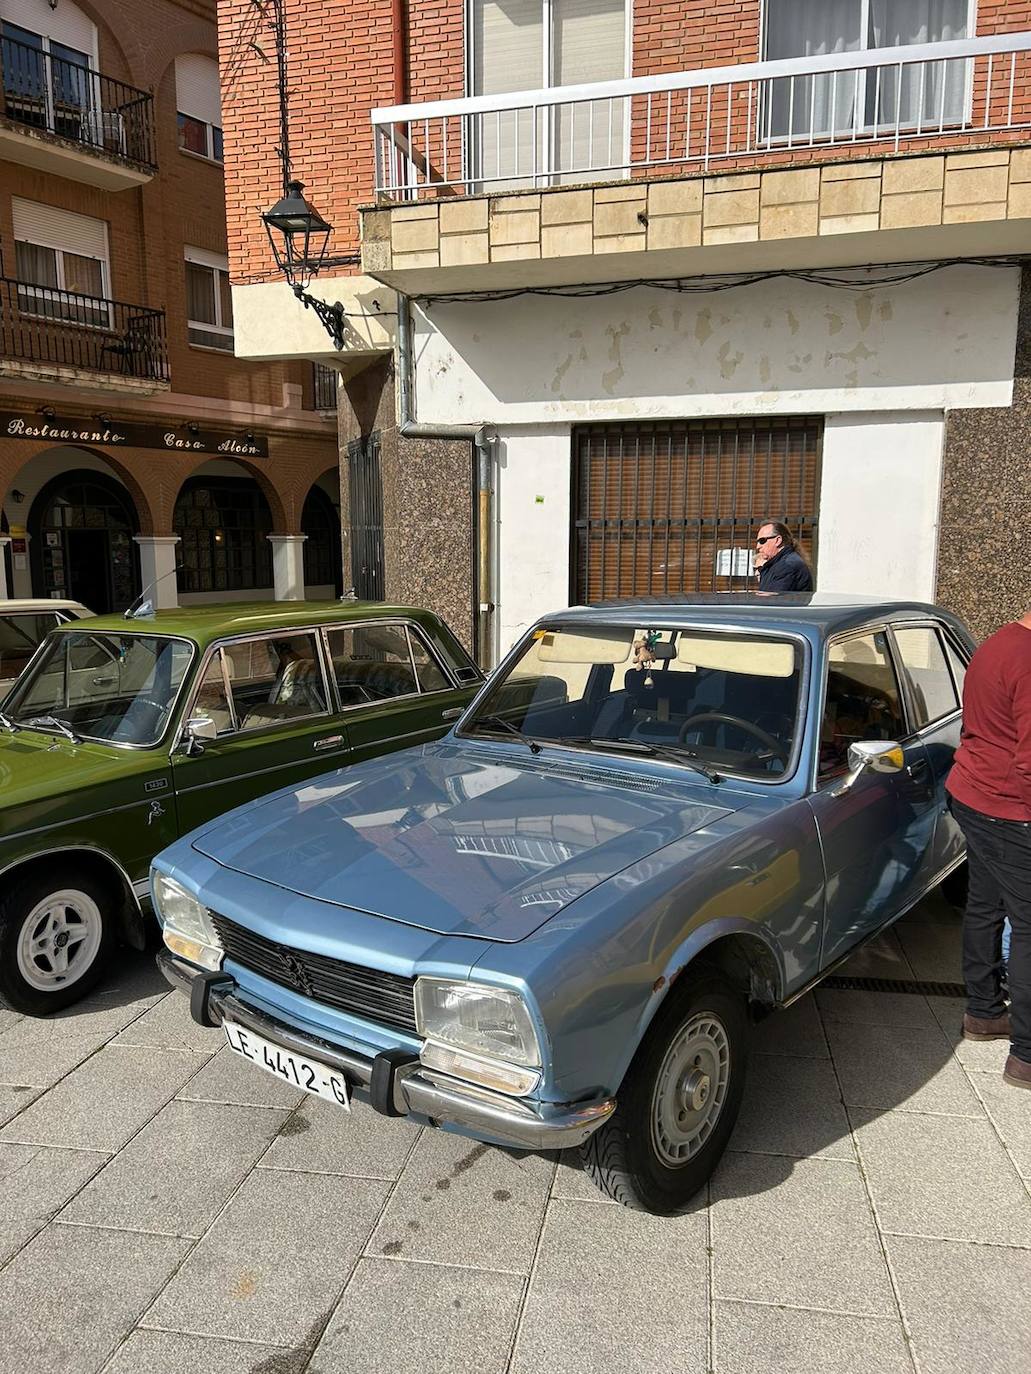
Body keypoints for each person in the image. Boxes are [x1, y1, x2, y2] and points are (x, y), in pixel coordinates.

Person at [946, 609, 1031, 1091]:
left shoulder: (1000, 641)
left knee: (985, 904)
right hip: (1008, 807)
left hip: (974, 793)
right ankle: (1026, 1055)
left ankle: (983, 1013)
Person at [753, 521, 814, 592]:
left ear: (778, 540)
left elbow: (774, 598)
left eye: (762, 541)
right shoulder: (779, 564)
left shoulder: (787, 566)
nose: (758, 546)